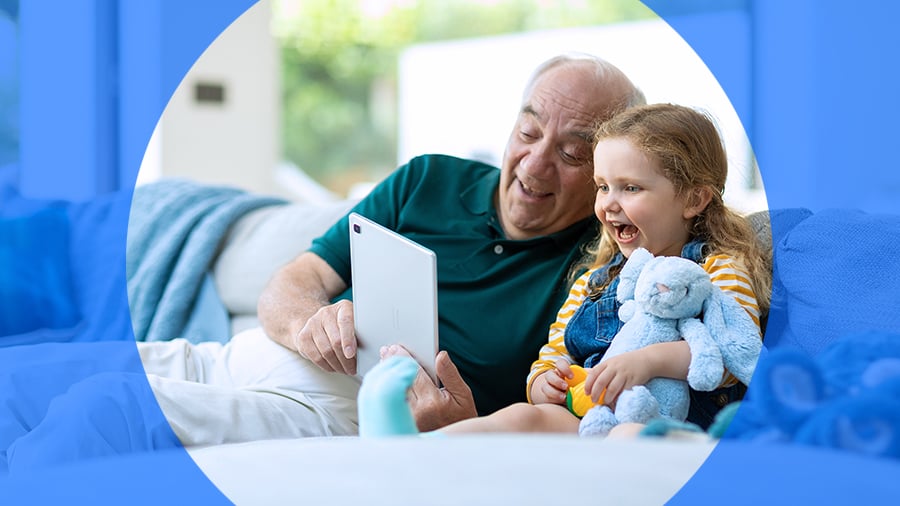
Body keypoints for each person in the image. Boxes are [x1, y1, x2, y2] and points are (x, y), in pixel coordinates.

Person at [1, 53, 647, 470]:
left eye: (571, 151)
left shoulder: (595, 271)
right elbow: (292, 284)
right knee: (14, 379)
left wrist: (462, 427)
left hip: (333, 416)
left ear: (607, 170)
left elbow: (557, 425)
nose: (534, 164)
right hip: (226, 358)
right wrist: (310, 318)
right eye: (529, 133)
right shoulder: (428, 179)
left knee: (103, 410)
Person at [356, 103, 771, 437]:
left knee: (630, 440)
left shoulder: (718, 268)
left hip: (672, 423)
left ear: (693, 199)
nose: (608, 202)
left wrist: (650, 362)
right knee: (521, 417)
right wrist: (544, 384)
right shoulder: (596, 281)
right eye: (603, 186)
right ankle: (414, 450)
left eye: (631, 188)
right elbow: (553, 352)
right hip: (589, 418)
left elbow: (735, 353)